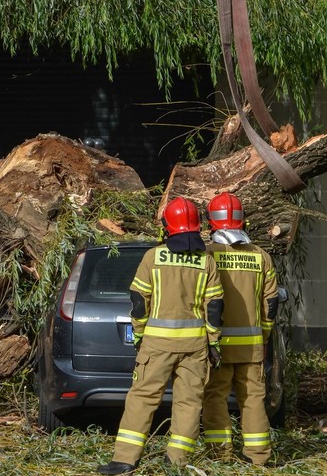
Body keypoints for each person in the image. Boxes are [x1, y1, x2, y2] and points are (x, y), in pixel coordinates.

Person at [98, 197, 223, 475]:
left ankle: (125, 461)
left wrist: (139, 334)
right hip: (195, 345)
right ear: (197, 227)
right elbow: (213, 307)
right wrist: (214, 343)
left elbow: (139, 300)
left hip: (156, 344)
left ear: (167, 227)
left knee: (142, 398)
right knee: (189, 402)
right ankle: (176, 462)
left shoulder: (153, 257)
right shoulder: (207, 262)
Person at [200, 192, 279, 466]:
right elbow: (271, 304)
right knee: (253, 399)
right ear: (242, 220)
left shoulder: (207, 254)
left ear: (211, 221)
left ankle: (220, 456)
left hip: (217, 345)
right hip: (252, 345)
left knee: (215, 397)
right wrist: (264, 335)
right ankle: (258, 457)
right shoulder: (261, 257)